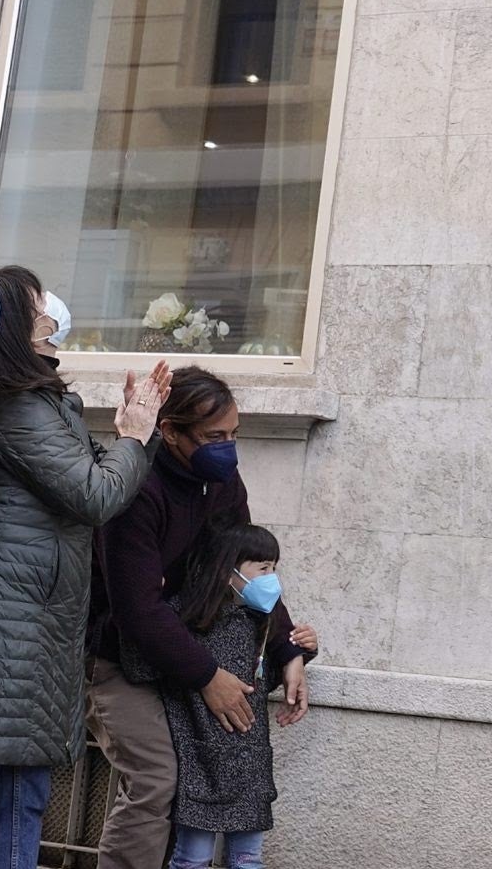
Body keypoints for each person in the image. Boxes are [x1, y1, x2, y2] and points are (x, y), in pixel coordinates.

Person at [0, 267, 170, 869]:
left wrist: (124, 435)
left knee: (21, 795)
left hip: (39, 627)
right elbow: (95, 494)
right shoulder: (17, 406)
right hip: (12, 626)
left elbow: (87, 476)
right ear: (20, 322)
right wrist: (135, 435)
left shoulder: (37, 401)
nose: (54, 312)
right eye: (40, 304)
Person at [85, 368, 317, 869]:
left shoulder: (222, 480)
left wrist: (287, 651)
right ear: (169, 431)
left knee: (196, 779)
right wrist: (209, 677)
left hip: (189, 659)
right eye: (214, 437)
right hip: (120, 661)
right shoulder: (136, 488)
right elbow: (136, 609)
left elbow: (247, 571)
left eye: (234, 434)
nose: (228, 448)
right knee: (157, 780)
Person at [161, 521, 314, 869]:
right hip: (201, 763)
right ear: (229, 570)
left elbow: (257, 684)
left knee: (248, 860)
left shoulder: (259, 621)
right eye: (262, 568)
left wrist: (302, 652)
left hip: (249, 766)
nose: (271, 578)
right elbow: (152, 661)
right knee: (192, 858)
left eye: (274, 568)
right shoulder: (189, 618)